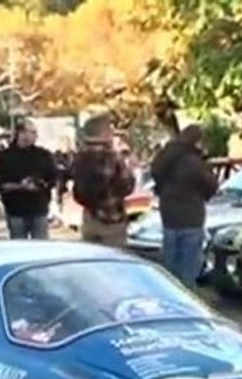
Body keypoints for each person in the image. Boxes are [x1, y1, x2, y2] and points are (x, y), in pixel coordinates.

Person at [150, 124, 218, 286]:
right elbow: (210, 185)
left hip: (168, 215)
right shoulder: (194, 161)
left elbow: (155, 175)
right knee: (188, 267)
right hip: (191, 216)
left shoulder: (163, 156)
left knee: (170, 265)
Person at [71, 115, 137, 247]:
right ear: (103, 132)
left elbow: (77, 189)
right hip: (111, 218)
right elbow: (128, 185)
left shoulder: (80, 157)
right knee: (113, 260)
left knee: (93, 260)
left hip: (89, 216)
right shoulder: (112, 157)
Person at [0, 119, 56, 239]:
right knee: (19, 245)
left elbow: (52, 178)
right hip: (15, 210)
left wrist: (40, 184)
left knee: (41, 246)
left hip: (39, 208)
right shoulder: (4, 157)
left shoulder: (43, 155)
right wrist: (19, 186)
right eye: (32, 132)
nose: (35, 135)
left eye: (35, 132)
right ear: (21, 133)